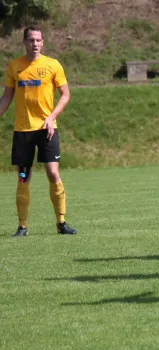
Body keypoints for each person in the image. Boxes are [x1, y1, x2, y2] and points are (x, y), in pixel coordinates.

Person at [0, 26, 76, 237]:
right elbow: (6, 97)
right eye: (31, 40)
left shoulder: (52, 65)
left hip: (46, 130)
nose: (35, 43)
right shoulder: (15, 66)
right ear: (24, 42)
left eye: (38, 40)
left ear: (42, 42)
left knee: (53, 173)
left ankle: (61, 222)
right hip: (23, 131)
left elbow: (65, 95)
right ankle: (22, 226)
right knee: (23, 176)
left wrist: (51, 118)